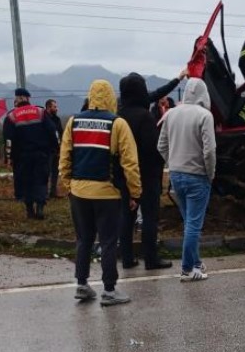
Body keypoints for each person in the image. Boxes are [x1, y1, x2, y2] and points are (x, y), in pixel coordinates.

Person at [59, 79, 141, 306]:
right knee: (107, 241)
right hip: (107, 193)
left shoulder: (73, 122)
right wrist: (135, 193)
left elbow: (64, 158)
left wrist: (69, 185)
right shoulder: (118, 124)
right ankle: (109, 290)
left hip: (78, 192)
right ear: (110, 98)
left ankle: (82, 285)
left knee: (83, 239)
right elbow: (130, 164)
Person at [117, 71, 185, 270]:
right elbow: (153, 148)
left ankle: (127, 258)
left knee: (126, 217)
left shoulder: (119, 115)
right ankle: (151, 258)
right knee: (149, 217)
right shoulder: (144, 117)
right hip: (146, 175)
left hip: (123, 176)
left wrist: (177, 78)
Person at [157, 78, 216, 282]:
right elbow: (209, 151)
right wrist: (211, 173)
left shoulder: (171, 113)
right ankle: (187, 269)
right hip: (198, 176)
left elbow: (161, 145)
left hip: (176, 175)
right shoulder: (205, 116)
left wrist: (173, 163)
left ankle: (197, 262)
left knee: (188, 222)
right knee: (193, 225)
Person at [3, 88, 56, 220]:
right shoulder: (40, 111)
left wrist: (8, 158)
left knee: (25, 182)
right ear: (28, 98)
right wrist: (55, 147)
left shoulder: (11, 116)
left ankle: (29, 210)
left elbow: (8, 140)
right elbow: (52, 131)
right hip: (40, 154)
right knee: (41, 180)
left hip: (21, 157)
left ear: (17, 99)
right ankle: (40, 207)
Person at [45, 98, 63, 198]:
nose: (56, 109)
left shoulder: (57, 119)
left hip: (57, 150)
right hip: (48, 150)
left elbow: (61, 133)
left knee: (55, 171)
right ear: (48, 107)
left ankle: (53, 192)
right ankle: (45, 193)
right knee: (47, 172)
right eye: (54, 107)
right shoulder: (44, 120)